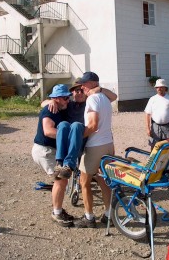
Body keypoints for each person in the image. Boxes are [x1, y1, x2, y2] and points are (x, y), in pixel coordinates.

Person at [41, 80, 117, 179]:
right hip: (70, 139)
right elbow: (43, 103)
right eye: (77, 91)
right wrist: (52, 101)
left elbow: (114, 97)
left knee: (76, 125)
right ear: (72, 93)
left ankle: (69, 165)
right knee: (63, 124)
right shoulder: (68, 104)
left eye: (81, 90)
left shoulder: (90, 102)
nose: (80, 93)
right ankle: (60, 163)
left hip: (82, 137)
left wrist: (99, 89)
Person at [74, 72, 115, 228]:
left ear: (92, 83)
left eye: (84, 84)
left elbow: (92, 125)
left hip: (94, 145)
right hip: (108, 143)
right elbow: (115, 96)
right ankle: (108, 214)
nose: (82, 87)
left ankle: (89, 217)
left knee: (84, 182)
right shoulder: (105, 98)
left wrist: (77, 138)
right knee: (103, 180)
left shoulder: (92, 99)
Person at [31, 84, 75, 227]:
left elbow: (43, 101)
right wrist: (72, 137)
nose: (68, 100)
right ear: (56, 98)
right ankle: (57, 213)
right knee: (60, 180)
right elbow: (48, 131)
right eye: (65, 98)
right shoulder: (49, 110)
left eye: (68, 97)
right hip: (45, 151)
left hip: (51, 150)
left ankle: (59, 210)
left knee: (62, 180)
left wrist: (48, 100)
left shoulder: (60, 106)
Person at [144, 78, 169, 149]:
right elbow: (147, 114)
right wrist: (148, 128)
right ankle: (154, 160)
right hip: (155, 127)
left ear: (165, 88)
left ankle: (167, 160)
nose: (159, 89)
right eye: (157, 87)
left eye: (161, 87)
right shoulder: (152, 99)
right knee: (154, 146)